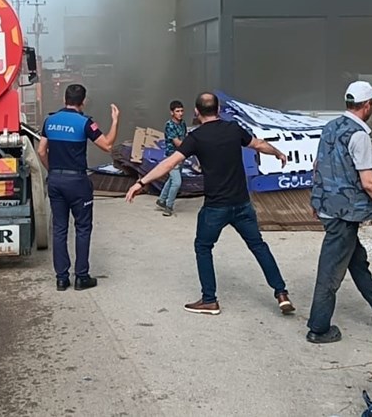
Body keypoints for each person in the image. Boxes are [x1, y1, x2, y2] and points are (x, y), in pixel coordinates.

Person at [126, 92, 295, 316]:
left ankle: (209, 300)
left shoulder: (196, 138)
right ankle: (281, 294)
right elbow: (259, 144)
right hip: (242, 203)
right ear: (217, 110)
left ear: (196, 112)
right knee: (258, 246)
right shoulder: (234, 129)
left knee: (203, 247)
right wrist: (278, 153)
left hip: (216, 207)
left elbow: (169, 163)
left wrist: (141, 182)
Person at [305, 80, 372, 344]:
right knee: (329, 273)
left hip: (329, 207)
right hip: (344, 215)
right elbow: (369, 182)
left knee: (357, 263)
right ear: (368, 104)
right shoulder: (359, 136)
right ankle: (318, 328)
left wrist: (316, 200)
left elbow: (318, 166)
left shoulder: (330, 127)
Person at [38, 83, 119, 291]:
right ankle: (81, 277)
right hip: (77, 183)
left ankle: (61, 278)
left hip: (56, 180)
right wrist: (115, 121)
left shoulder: (50, 121)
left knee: (59, 229)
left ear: (64, 99)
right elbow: (108, 145)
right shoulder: (85, 123)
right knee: (82, 228)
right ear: (83, 101)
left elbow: (41, 151)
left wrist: (53, 170)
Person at [156, 100, 188, 217]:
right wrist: (191, 147)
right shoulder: (169, 125)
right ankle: (169, 206)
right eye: (177, 111)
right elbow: (178, 143)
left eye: (181, 111)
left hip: (181, 156)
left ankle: (161, 200)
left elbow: (185, 137)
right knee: (177, 182)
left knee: (171, 180)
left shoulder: (183, 123)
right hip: (172, 157)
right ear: (172, 113)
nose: (180, 113)